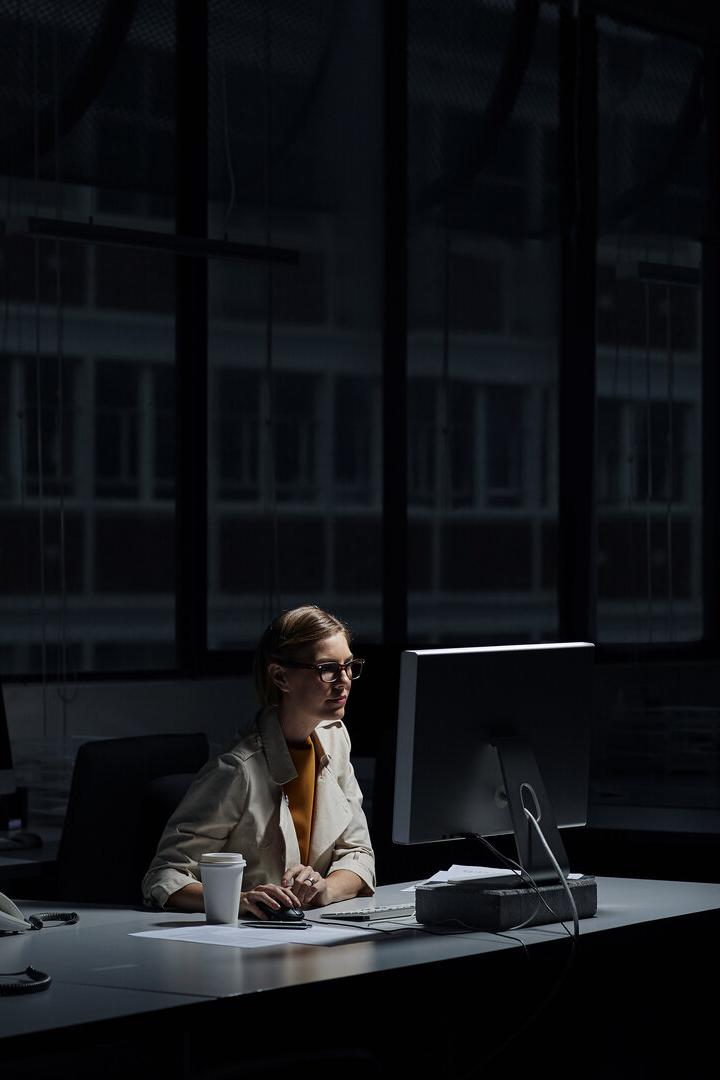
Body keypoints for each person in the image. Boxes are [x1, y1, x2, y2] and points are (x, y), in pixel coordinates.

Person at [141, 605, 375, 918]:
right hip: (249, 943)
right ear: (280, 677)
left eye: (349, 666)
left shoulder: (335, 737)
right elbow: (163, 877)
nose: (344, 680)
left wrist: (326, 888)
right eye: (327, 669)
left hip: (316, 929)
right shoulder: (238, 769)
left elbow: (358, 852)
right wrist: (239, 900)